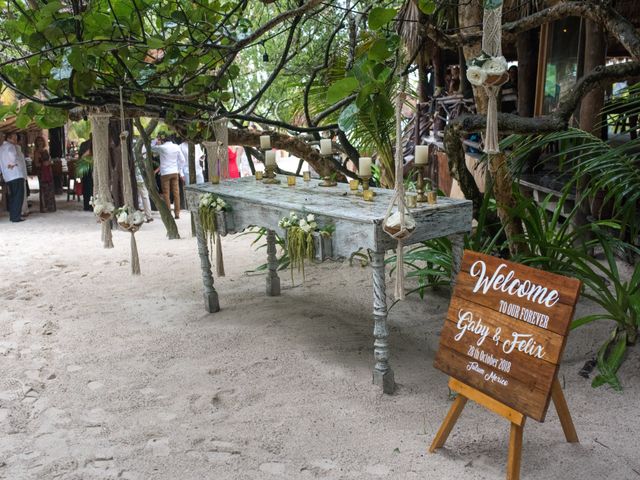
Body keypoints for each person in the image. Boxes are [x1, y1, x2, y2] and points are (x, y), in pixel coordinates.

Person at [151, 134, 185, 219]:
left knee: (166, 194)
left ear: (163, 140)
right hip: (174, 172)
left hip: (165, 173)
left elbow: (151, 147)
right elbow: (182, 160)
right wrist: (179, 169)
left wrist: (155, 140)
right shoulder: (176, 146)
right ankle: (177, 213)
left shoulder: (162, 148)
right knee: (176, 193)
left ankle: (168, 213)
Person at [0, 133, 26, 222]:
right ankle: (16, 217)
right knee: (18, 196)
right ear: (8, 138)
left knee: (13, 196)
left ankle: (13, 215)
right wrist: (13, 163)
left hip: (7, 175)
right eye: (14, 139)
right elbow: (12, 156)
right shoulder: (11, 147)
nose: (15, 141)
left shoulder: (1, 148)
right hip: (16, 174)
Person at [32, 136, 56, 213]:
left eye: (41, 141)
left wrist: (49, 162)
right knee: (43, 189)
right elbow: (36, 164)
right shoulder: (36, 152)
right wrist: (43, 164)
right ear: (36, 143)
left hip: (48, 171)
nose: (40, 142)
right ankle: (44, 207)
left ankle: (51, 206)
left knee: (50, 189)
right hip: (42, 173)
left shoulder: (46, 151)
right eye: (38, 141)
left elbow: (49, 160)